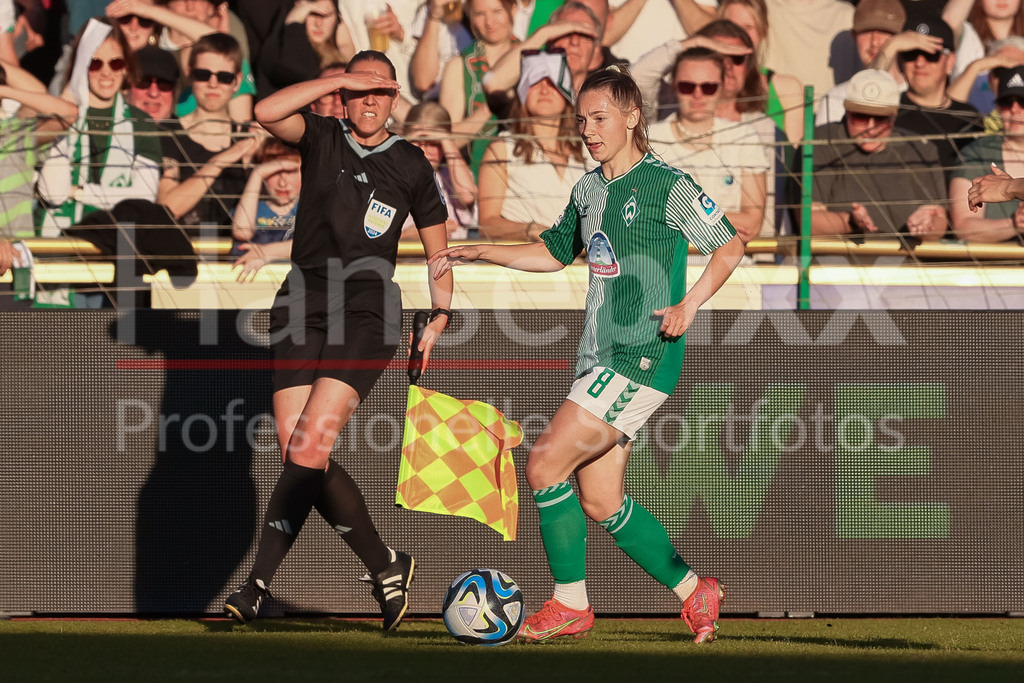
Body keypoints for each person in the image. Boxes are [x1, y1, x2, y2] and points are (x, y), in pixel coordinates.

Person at [429, 66, 743, 644]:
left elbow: (730, 246)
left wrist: (689, 305)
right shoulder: (588, 189)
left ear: (632, 117)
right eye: (581, 120)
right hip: (600, 355)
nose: (588, 130)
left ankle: (569, 604)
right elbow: (553, 253)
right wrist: (484, 251)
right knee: (600, 500)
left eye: (599, 118)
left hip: (642, 351)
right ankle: (693, 589)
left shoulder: (665, 184)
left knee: (545, 464)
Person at [223, 50, 454, 631]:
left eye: (380, 91)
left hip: (366, 313)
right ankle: (386, 565)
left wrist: (440, 314)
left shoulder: (411, 163)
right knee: (298, 452)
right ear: (344, 96)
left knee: (306, 450)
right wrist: (337, 80)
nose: (368, 101)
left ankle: (256, 584)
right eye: (358, 91)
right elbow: (265, 108)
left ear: (396, 97)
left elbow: (438, 251)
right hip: (300, 303)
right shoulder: (321, 134)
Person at [37, 19, 163, 237]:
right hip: (56, 244)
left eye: (116, 63)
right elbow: (54, 194)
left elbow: (144, 196)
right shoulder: (56, 117)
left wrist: (79, 193)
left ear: (126, 67)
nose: (107, 72)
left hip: (117, 244)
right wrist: (63, 116)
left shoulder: (141, 122)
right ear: (81, 66)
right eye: (95, 63)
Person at [810, 69, 948, 241]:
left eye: (881, 118)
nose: (871, 127)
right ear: (846, 111)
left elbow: (939, 223)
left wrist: (927, 225)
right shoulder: (821, 142)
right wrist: (850, 222)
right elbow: (808, 221)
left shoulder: (921, 149)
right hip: (837, 263)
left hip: (904, 263)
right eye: (860, 117)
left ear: (894, 115)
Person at [648, 47, 769, 243]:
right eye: (688, 86)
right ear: (674, 87)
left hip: (729, 265)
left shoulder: (744, 137)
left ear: (721, 88)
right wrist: (721, 221)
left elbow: (751, 224)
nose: (698, 94)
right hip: (665, 263)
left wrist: (676, 218)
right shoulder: (649, 139)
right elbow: (641, 221)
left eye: (708, 87)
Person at [477, 50, 587, 240]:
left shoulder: (588, 148)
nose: (544, 90)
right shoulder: (502, 149)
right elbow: (487, 224)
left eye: (552, 83)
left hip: (585, 264)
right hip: (527, 263)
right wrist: (531, 230)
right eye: (535, 82)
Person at [156, 32, 256, 235]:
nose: (213, 83)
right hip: (182, 256)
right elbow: (168, 208)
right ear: (190, 74)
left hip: (237, 259)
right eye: (203, 74)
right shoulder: (167, 132)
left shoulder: (251, 137)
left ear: (237, 82)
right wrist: (220, 161)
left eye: (224, 77)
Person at [891, 15, 983, 179]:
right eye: (911, 54)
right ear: (900, 61)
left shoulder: (969, 117)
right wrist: (889, 47)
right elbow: (866, 92)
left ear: (950, 61)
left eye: (931, 54)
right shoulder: (887, 111)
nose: (920, 63)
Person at [436, 0, 518, 177]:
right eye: (479, 14)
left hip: (524, 173)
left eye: (497, 11)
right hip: (477, 176)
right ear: (469, 16)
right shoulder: (458, 65)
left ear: (514, 9)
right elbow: (450, 140)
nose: (489, 22)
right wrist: (491, 106)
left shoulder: (533, 58)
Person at [952, 65, 1024, 240]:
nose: (1014, 109)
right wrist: (1015, 223)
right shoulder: (977, 153)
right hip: (995, 265)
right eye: (1006, 103)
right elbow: (963, 227)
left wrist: (1008, 188)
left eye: (1023, 101)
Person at [816, 0, 907, 126]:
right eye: (867, 31)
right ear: (854, 36)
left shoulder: (916, 93)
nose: (875, 42)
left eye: (884, 31)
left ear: (902, 37)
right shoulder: (835, 99)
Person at [401, 101, 477, 240]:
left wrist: (446, 139)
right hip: (406, 258)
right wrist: (417, 233)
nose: (423, 150)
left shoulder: (451, 175)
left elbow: (467, 195)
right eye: (417, 141)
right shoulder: (392, 176)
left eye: (433, 143)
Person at [230, 138, 301, 282]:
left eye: (291, 172)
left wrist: (265, 252)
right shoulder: (252, 207)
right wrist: (257, 174)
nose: (282, 183)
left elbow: (318, 243)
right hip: (253, 286)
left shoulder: (312, 208)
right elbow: (242, 232)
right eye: (273, 172)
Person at [125, 44, 179, 121]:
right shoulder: (108, 129)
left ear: (174, 91)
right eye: (144, 83)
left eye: (164, 85)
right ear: (127, 86)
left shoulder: (185, 132)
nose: (153, 93)